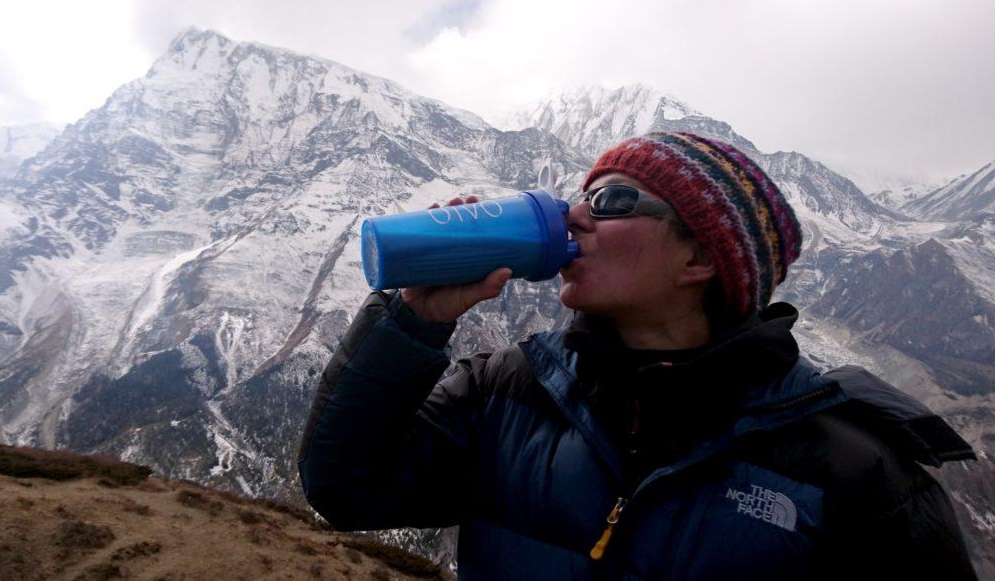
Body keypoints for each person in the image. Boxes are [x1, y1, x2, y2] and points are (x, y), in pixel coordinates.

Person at [297, 131, 978, 579]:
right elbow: (346, 488)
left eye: (612, 200)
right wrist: (412, 319)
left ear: (701, 257)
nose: (574, 215)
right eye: (582, 195)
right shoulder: (509, 391)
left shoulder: (856, 472)